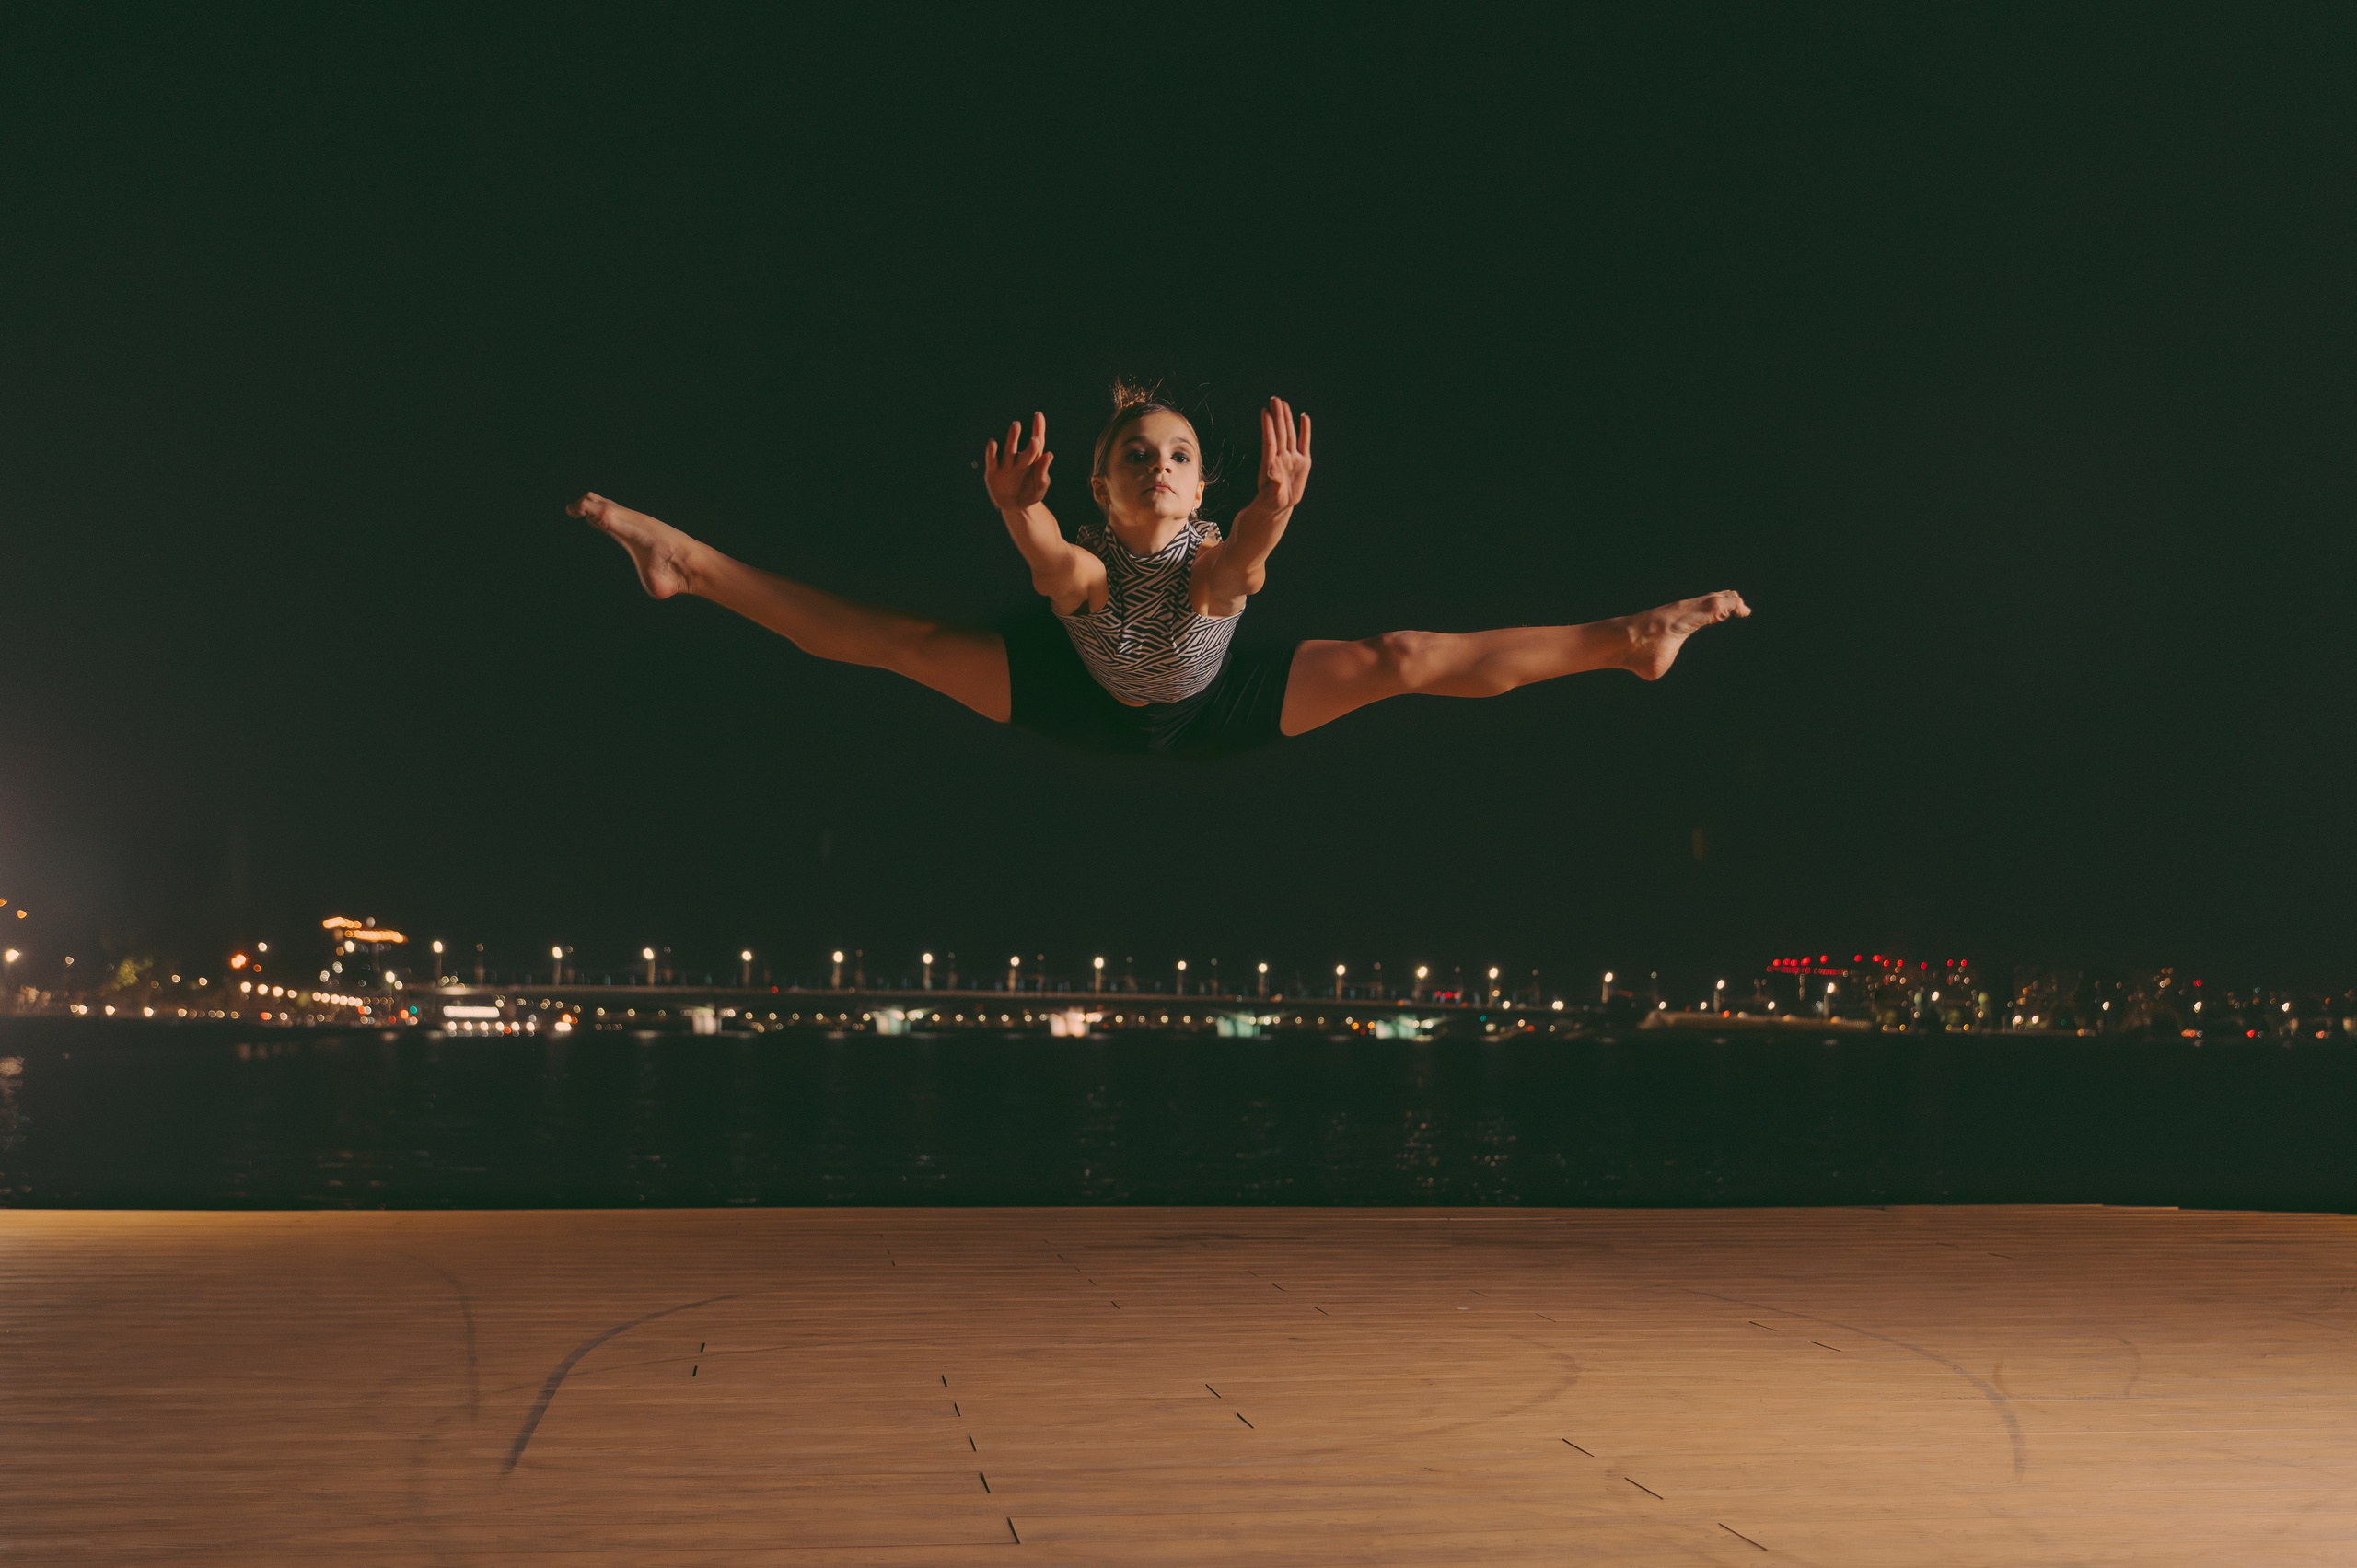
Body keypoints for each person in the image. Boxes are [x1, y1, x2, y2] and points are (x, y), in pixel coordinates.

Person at [571, 384, 1748, 758]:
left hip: (1217, 695)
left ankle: (1628, 639)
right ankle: (683, 558)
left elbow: (1233, 579)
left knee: (1404, 657)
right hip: (1081, 684)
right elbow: (1056, 574)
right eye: (1136, 456)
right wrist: (1016, 515)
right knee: (898, 639)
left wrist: (1274, 513)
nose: (1158, 466)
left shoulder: (1205, 559)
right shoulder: (1082, 552)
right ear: (1103, 486)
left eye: (1178, 456)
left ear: (1197, 485)